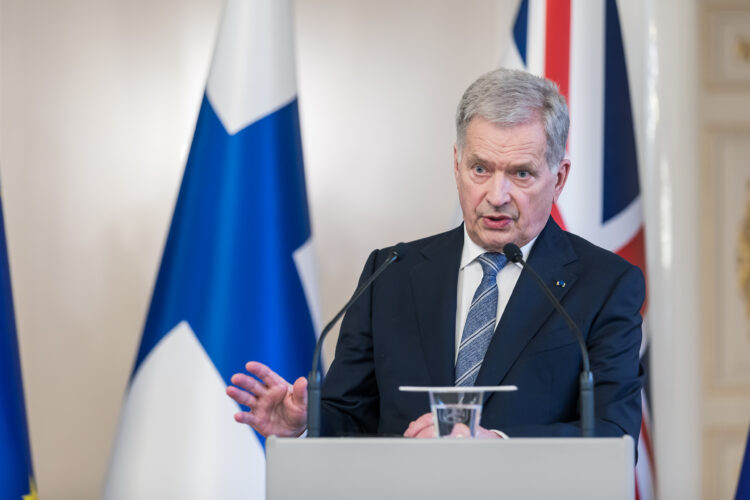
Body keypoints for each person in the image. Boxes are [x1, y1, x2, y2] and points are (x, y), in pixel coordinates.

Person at [226, 68, 644, 441]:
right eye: (481, 169)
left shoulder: (605, 285)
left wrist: (495, 444)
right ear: (457, 164)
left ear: (559, 178)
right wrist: (305, 423)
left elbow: (612, 432)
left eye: (521, 173)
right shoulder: (389, 274)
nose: (496, 196)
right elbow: (349, 417)